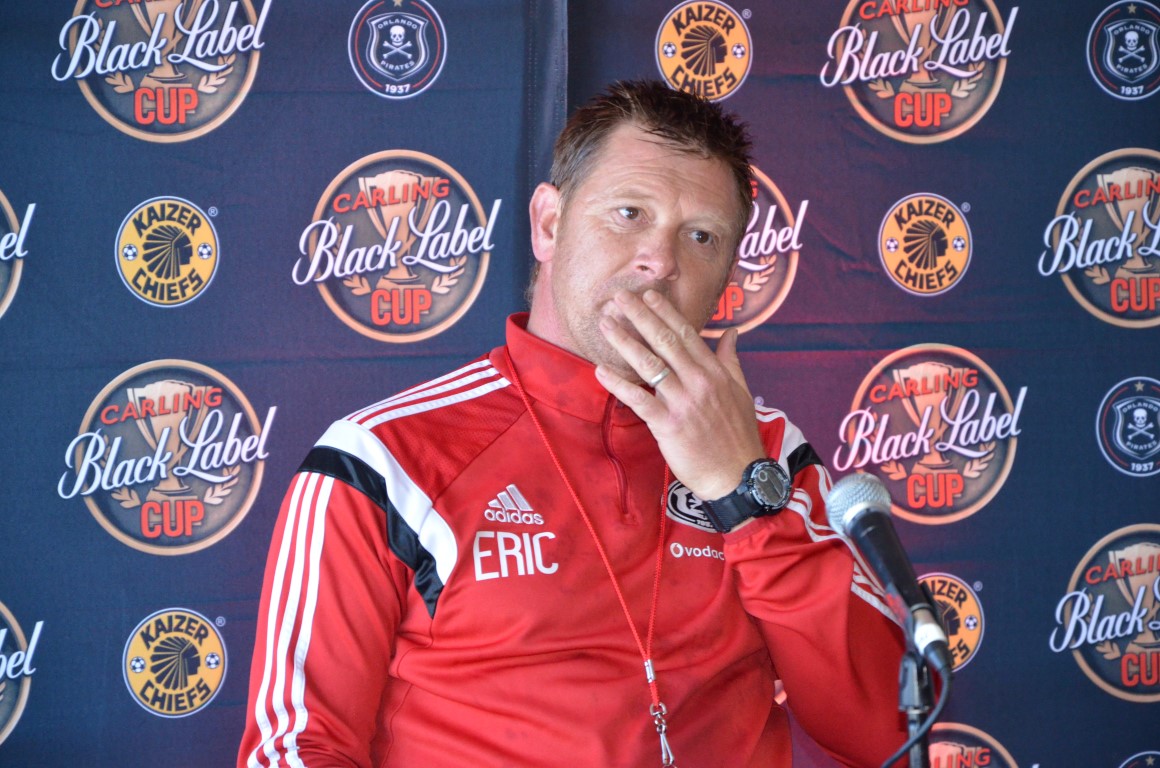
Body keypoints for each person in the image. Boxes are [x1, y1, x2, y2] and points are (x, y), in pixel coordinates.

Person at [238, 79, 909, 768]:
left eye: (701, 236)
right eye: (629, 213)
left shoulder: (769, 456)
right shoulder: (382, 459)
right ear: (549, 225)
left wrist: (744, 498)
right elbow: (297, 749)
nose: (661, 261)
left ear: (727, 278)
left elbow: (886, 731)